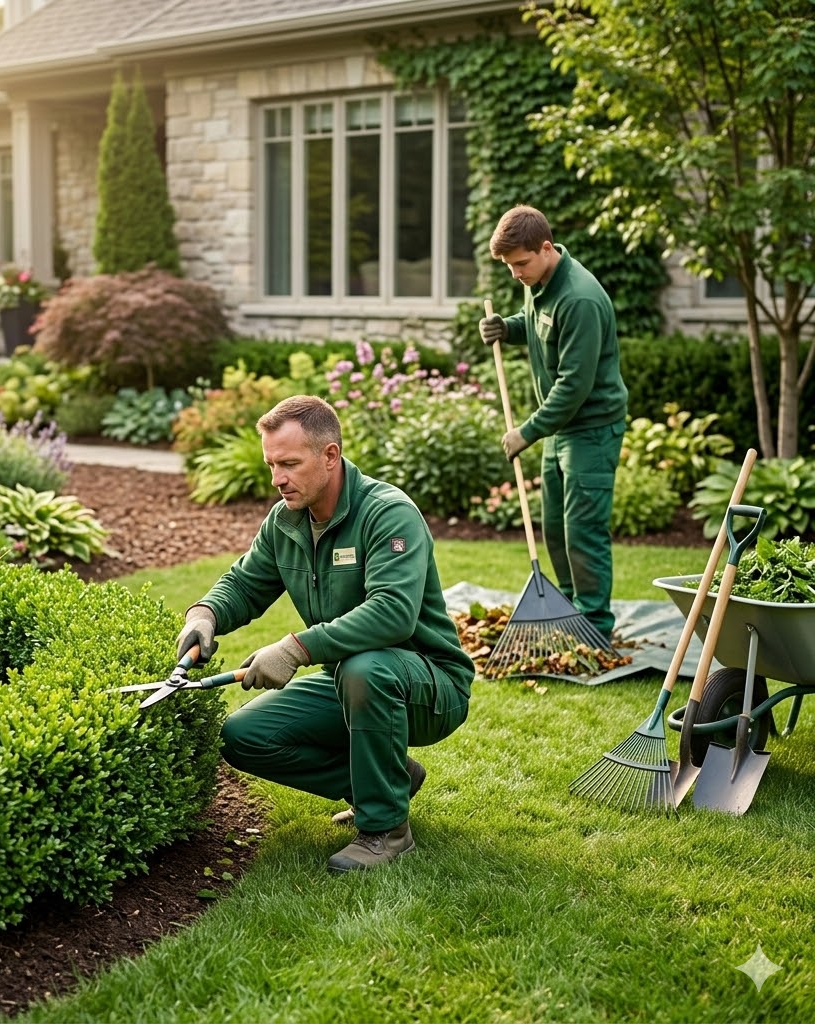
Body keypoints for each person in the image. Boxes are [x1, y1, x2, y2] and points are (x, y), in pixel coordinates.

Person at [175, 395, 473, 874]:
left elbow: (392, 613)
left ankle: (385, 831)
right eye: (272, 464)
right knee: (243, 735)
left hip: (429, 685)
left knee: (365, 666)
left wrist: (295, 649)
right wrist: (205, 614)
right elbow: (245, 583)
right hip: (350, 683)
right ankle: (386, 780)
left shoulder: (387, 514)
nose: (277, 479)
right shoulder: (286, 520)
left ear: (330, 456)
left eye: (290, 463)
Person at [478, 205, 628, 639]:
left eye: (520, 264)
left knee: (584, 529)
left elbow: (574, 385)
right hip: (560, 428)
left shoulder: (579, 298)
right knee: (556, 528)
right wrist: (507, 327)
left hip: (591, 428)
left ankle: (595, 625)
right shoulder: (540, 281)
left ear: (546, 248)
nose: (515, 275)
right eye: (509, 266)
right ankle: (567, 609)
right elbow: (539, 323)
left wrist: (527, 431)